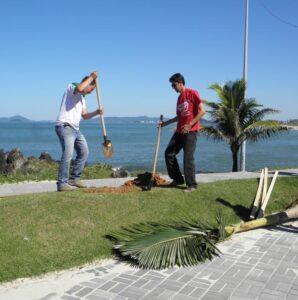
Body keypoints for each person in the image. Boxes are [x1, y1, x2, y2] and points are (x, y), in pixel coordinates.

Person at [55, 71, 102, 192]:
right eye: (92, 88)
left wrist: (96, 112)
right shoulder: (71, 87)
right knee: (68, 154)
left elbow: (85, 116)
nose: (92, 91)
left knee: (84, 152)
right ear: (87, 83)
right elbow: (80, 88)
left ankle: (74, 178)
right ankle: (62, 183)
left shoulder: (82, 99)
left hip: (76, 129)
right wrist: (92, 76)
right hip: (65, 126)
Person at [161, 73, 206, 193]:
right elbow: (179, 116)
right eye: (172, 86)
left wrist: (190, 124)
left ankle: (192, 185)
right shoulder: (179, 98)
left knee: (188, 158)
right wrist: (165, 123)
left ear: (180, 83)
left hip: (191, 131)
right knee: (169, 153)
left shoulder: (192, 93)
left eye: (174, 85)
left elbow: (202, 111)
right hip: (180, 131)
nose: (173, 88)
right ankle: (178, 179)